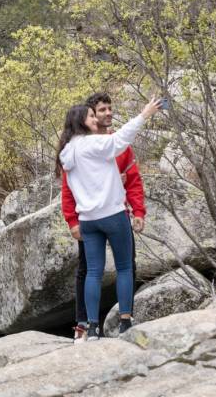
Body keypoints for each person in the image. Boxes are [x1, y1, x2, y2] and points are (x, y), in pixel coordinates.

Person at [56, 97, 161, 340]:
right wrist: (144, 114)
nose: (96, 118)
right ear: (81, 122)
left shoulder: (66, 152)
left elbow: (73, 186)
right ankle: (125, 322)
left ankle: (91, 327)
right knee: (124, 268)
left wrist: (72, 219)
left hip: (88, 221)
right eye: (91, 116)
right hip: (112, 215)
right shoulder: (93, 144)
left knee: (94, 273)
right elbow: (120, 139)